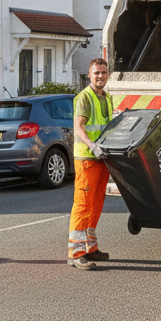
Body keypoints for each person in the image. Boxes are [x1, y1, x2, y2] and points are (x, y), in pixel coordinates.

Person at [67, 58, 114, 270]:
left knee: (96, 204)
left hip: (102, 158)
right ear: (89, 74)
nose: (100, 76)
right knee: (83, 204)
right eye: (96, 73)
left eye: (103, 72)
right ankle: (76, 253)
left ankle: (90, 247)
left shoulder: (108, 98)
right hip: (87, 157)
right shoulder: (83, 98)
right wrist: (93, 146)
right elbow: (79, 127)